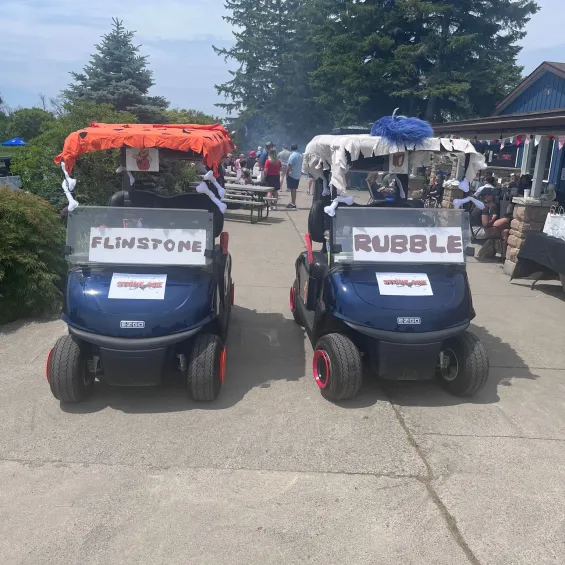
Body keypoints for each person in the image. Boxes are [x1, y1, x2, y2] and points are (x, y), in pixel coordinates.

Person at [286, 144, 302, 209]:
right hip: (298, 174)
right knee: (294, 188)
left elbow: (289, 166)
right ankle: (293, 202)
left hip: (292, 174)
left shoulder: (292, 155)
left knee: (293, 189)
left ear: (291, 148)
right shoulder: (300, 155)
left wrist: (287, 173)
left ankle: (293, 203)